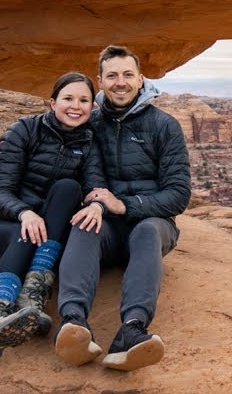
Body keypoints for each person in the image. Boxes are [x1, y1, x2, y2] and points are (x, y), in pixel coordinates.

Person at [53, 45, 192, 371]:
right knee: (83, 223)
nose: (121, 82)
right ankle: (73, 324)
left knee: (145, 230)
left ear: (141, 79)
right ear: (100, 82)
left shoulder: (164, 126)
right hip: (109, 228)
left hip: (153, 224)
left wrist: (124, 205)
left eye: (128, 75)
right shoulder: (93, 125)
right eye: (112, 76)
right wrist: (99, 205)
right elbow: (92, 178)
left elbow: (178, 194)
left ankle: (132, 331)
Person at [0, 71, 108, 366]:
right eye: (68, 98)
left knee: (69, 188)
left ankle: (32, 295)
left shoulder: (90, 143)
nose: (76, 106)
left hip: (44, 231)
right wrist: (24, 212)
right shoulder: (23, 130)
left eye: (84, 100)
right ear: (52, 102)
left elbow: (96, 187)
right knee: (27, 232)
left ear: (92, 108)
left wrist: (98, 206)